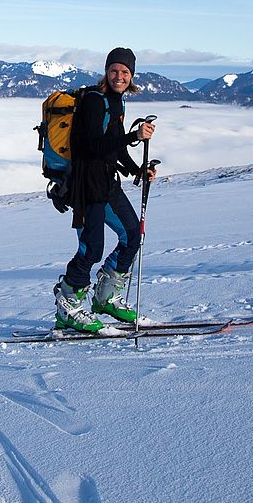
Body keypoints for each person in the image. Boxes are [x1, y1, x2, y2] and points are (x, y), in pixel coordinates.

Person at [53, 47, 157, 333]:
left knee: (132, 235)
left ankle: (106, 296)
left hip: (108, 183)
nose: (119, 76)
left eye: (125, 72)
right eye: (114, 70)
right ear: (106, 71)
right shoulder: (94, 102)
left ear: (132, 76)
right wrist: (133, 136)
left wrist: (138, 170)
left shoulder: (117, 102)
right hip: (86, 187)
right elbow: (90, 146)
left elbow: (114, 146)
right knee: (91, 249)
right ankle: (68, 306)